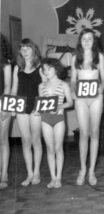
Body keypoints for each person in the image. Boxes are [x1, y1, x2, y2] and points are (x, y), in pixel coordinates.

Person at [71, 28, 104, 186]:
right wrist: (73, 90)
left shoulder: (99, 57)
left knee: (94, 132)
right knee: (84, 133)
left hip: (96, 98)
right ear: (80, 41)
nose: (86, 41)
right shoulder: (75, 58)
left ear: (94, 41)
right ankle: (83, 169)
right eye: (84, 39)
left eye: (89, 39)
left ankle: (92, 170)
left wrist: (101, 88)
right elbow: (73, 79)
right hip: (81, 98)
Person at [11, 38, 45, 186]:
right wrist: (11, 107)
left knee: (36, 140)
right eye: (22, 49)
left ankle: (37, 172)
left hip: (36, 107)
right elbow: (14, 89)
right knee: (25, 140)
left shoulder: (41, 66)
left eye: (27, 48)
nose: (25, 51)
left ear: (33, 50)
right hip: (21, 107)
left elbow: (44, 88)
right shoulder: (17, 68)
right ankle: (29, 173)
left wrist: (40, 106)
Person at [39, 58, 73, 188]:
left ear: (56, 69)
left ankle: (58, 177)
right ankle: (52, 177)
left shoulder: (63, 84)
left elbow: (70, 102)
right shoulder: (41, 86)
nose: (46, 71)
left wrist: (60, 107)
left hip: (59, 119)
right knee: (50, 148)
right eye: (44, 69)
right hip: (46, 119)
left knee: (58, 147)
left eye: (49, 68)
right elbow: (41, 103)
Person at [0, 34, 12, 189]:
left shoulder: (6, 63)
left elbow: (8, 86)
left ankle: (4, 174)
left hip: (2, 102)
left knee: (3, 140)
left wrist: (5, 106)